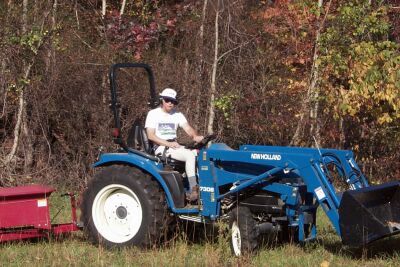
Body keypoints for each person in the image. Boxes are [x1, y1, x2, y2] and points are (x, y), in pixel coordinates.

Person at [145, 88, 203, 201]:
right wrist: (169, 144)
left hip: (173, 145)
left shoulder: (177, 114)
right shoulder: (153, 114)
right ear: (162, 100)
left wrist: (195, 136)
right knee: (189, 155)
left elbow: (188, 128)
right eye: (167, 100)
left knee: (198, 154)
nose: (170, 103)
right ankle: (193, 188)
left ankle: (201, 185)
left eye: (173, 101)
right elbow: (151, 136)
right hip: (161, 146)